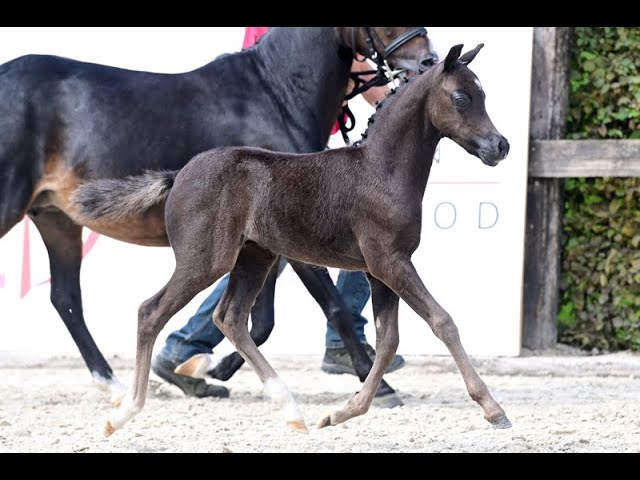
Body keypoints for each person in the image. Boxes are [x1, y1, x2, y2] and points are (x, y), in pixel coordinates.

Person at [151, 27, 405, 398]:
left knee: (284, 249)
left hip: (307, 137)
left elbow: (359, 72)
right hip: (274, 141)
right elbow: (278, 64)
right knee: (263, 247)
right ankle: (186, 344)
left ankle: (186, 345)